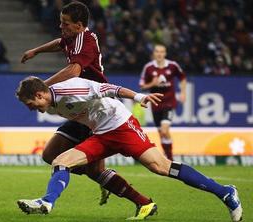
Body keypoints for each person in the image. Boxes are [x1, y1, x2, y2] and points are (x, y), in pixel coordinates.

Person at [15, 76, 243, 222]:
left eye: (31, 104)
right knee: (60, 160)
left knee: (162, 167)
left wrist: (138, 96)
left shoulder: (71, 90)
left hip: (122, 126)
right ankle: (47, 202)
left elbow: (108, 88)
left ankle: (224, 192)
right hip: (101, 135)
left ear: (39, 95)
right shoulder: (52, 102)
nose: (32, 109)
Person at [20, 1, 154, 214]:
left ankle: (137, 198)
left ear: (79, 25)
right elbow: (60, 42)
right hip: (77, 108)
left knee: (77, 165)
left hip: (94, 106)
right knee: (51, 155)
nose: (61, 27)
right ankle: (107, 178)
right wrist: (36, 51)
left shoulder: (86, 40)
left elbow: (74, 71)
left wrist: (44, 87)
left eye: (65, 23)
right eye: (60, 22)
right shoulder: (72, 37)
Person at [139, 44, 187, 160]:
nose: (159, 54)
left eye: (162, 52)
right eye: (157, 52)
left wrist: (183, 92)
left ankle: (170, 159)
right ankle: (168, 157)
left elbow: (182, 77)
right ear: (154, 53)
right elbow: (142, 86)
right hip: (156, 104)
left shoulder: (172, 65)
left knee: (165, 130)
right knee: (161, 133)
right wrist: (152, 84)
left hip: (169, 102)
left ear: (165, 53)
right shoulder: (149, 68)